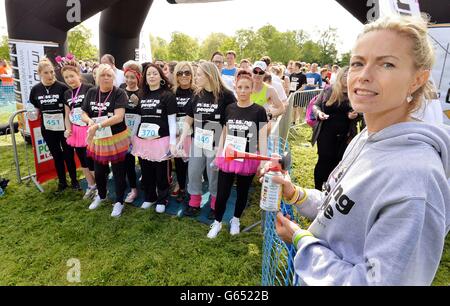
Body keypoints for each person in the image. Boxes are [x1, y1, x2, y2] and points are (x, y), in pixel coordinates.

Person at [272, 15, 450, 286]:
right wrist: (297, 194)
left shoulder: (417, 179)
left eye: (387, 64)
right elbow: (341, 208)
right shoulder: (366, 137)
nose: (364, 76)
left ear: (417, 79)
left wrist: (301, 240)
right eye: (357, 63)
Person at [207, 70, 268, 238]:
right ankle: (217, 222)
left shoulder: (259, 111)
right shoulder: (230, 108)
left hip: (247, 158)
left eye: (246, 87)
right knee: (222, 193)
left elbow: (262, 138)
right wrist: (219, 154)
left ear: (252, 89)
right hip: (228, 157)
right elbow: (224, 134)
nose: (242, 90)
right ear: (235, 87)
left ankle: (236, 219)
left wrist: (263, 160)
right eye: (239, 87)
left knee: (242, 192)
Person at [178, 62, 236, 218]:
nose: (195, 78)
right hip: (198, 141)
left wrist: (221, 146)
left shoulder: (227, 95)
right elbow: (189, 118)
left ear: (209, 75)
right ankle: (194, 202)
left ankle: (214, 205)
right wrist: (182, 138)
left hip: (216, 144)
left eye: (198, 75)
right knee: (194, 172)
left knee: (214, 176)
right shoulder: (197, 94)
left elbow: (228, 123)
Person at [81, 64, 131, 217]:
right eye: (103, 75)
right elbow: (83, 112)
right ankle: (101, 195)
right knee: (100, 171)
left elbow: (119, 117)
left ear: (114, 78)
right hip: (99, 140)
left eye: (109, 75)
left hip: (116, 138)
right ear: (97, 77)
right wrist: (89, 121)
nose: (106, 78)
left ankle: (119, 201)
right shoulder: (91, 92)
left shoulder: (119, 93)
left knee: (118, 172)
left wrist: (99, 125)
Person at [130, 63, 177, 213]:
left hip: (161, 140)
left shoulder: (167, 95)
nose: (151, 76)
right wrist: (132, 137)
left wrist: (173, 142)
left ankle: (162, 198)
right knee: (146, 170)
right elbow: (138, 118)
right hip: (143, 140)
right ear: (145, 77)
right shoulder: (141, 95)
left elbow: (171, 120)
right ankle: (150, 197)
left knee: (161, 172)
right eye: (149, 74)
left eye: (155, 73)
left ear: (161, 77)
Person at [29, 58, 79, 192]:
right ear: (40, 73)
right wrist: (33, 113)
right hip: (48, 129)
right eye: (46, 73)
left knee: (68, 154)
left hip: (64, 128)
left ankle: (74, 181)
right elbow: (35, 107)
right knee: (56, 155)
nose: (50, 75)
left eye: (52, 72)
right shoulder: (35, 90)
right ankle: (62, 182)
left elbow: (70, 106)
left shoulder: (62, 87)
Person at [311, 67, 359, 190]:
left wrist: (354, 115)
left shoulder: (355, 93)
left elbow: (362, 112)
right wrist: (319, 113)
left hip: (345, 135)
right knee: (324, 160)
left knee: (338, 162)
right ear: (340, 76)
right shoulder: (329, 90)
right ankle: (318, 189)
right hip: (325, 133)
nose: (347, 78)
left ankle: (330, 189)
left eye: (350, 76)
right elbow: (315, 105)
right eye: (345, 76)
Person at [60, 56, 96, 199]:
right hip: (75, 131)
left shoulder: (89, 88)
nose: (69, 80)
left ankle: (100, 185)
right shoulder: (67, 94)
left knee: (92, 159)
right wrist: (67, 128)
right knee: (82, 160)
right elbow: (67, 113)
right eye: (66, 77)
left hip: (89, 129)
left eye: (72, 76)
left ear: (78, 75)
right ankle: (91, 185)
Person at [172, 61, 196, 203]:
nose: (184, 76)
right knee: (179, 163)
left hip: (193, 133)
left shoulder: (197, 91)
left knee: (193, 164)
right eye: (180, 73)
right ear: (176, 76)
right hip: (177, 133)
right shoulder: (172, 92)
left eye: (187, 72)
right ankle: (181, 187)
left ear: (192, 75)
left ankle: (193, 190)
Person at [121, 60, 143, 204]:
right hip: (124, 132)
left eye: (132, 77)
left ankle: (147, 184)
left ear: (138, 78)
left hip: (140, 132)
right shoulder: (120, 90)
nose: (129, 80)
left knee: (143, 159)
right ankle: (133, 189)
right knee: (128, 161)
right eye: (127, 77)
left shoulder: (143, 92)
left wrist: (138, 103)